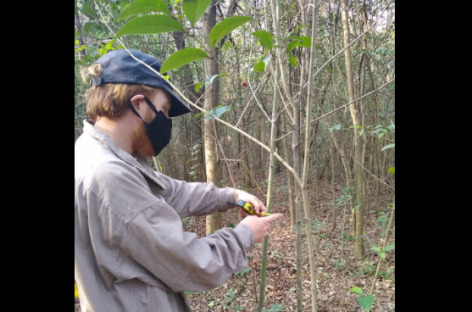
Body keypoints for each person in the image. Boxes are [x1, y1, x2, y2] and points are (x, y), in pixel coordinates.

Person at [75, 49, 283, 312]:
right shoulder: (108, 175)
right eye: (162, 109)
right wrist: (244, 235)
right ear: (138, 103)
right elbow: (188, 262)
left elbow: (170, 192)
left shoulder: (97, 153)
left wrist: (229, 196)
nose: (164, 121)